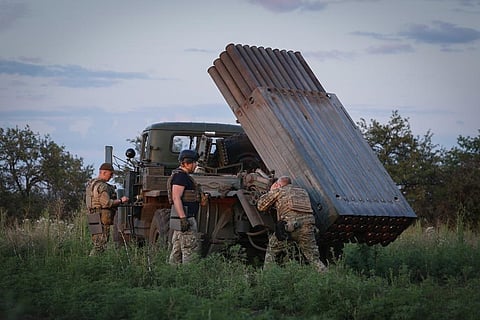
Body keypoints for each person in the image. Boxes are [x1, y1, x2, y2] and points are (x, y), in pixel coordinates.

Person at [257, 176, 327, 272]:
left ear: (279, 184)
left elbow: (261, 206)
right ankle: (327, 277)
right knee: (314, 259)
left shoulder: (280, 190)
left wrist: (271, 191)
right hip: (308, 228)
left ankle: (267, 276)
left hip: (290, 228)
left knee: (272, 249)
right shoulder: (303, 192)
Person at [167, 149, 204, 264]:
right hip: (186, 219)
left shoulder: (181, 176)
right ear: (187, 163)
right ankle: (188, 279)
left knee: (176, 254)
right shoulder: (181, 177)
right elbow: (176, 197)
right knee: (190, 253)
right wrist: (183, 218)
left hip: (182, 220)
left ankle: (173, 278)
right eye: (194, 162)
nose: (196, 165)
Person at [85, 162, 129, 256]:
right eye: (110, 174)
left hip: (93, 216)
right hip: (101, 217)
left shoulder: (91, 184)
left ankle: (92, 263)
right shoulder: (102, 186)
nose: (111, 177)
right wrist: (121, 200)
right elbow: (106, 203)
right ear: (104, 172)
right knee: (101, 244)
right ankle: (93, 263)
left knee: (97, 242)